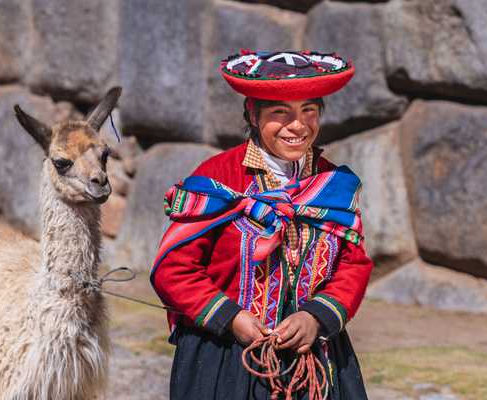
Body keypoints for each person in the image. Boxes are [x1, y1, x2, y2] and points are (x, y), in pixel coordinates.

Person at [151, 50, 373, 400]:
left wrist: (316, 317)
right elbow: (174, 269)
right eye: (279, 113)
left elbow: (352, 264)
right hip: (226, 359)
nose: (297, 126)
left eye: (308, 111)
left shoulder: (334, 185)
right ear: (253, 115)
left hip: (313, 358)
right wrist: (231, 317)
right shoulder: (218, 179)